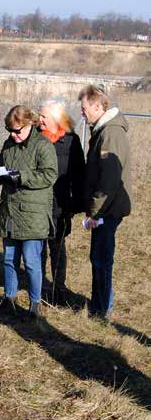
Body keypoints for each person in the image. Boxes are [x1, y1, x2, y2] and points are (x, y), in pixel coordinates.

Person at [0, 105, 57, 318]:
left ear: (30, 125)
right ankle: (9, 298)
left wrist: (21, 176)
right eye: (9, 130)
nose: (13, 134)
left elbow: (49, 176)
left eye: (17, 130)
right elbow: (3, 166)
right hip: (10, 210)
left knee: (31, 261)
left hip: (33, 214)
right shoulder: (8, 145)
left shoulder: (43, 146)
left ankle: (35, 303)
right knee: (9, 259)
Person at [78, 84, 132, 320]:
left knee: (101, 257)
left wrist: (95, 213)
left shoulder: (110, 133)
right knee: (98, 256)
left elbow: (108, 181)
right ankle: (98, 304)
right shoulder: (103, 130)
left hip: (107, 210)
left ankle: (102, 309)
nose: (82, 112)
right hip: (105, 209)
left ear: (98, 106)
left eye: (84, 108)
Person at [38, 100, 86, 305]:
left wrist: (76, 204)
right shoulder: (34, 137)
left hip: (61, 203)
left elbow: (79, 175)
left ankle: (58, 288)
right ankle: (37, 287)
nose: (39, 120)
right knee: (37, 247)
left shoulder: (71, 141)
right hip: (37, 203)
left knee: (57, 246)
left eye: (43, 117)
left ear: (56, 119)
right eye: (39, 116)